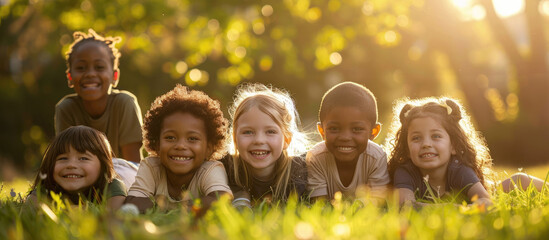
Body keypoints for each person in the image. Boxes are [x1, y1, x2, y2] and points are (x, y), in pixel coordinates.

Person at [54, 29, 143, 187]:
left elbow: (133, 164)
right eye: (81, 68)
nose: (90, 74)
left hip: (121, 173)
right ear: (70, 77)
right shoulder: (65, 108)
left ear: (114, 77)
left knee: (120, 173)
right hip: (80, 174)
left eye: (99, 67)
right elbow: (68, 158)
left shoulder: (124, 103)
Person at [124, 84, 232, 214]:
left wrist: (163, 205)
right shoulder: (151, 167)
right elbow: (133, 202)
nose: (180, 146)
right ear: (157, 144)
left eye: (192, 139)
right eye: (170, 137)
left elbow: (221, 199)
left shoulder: (210, 169)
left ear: (209, 148)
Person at [386, 97, 493, 207]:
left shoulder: (459, 169)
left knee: (501, 186)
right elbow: (405, 206)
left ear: (453, 146)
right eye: (416, 138)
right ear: (407, 149)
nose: (426, 144)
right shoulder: (406, 171)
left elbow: (486, 201)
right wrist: (452, 209)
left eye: (436, 136)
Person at [222, 83, 310, 208]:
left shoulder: (298, 171)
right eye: (248, 132)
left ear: (286, 139)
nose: (259, 140)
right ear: (235, 138)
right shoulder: (226, 168)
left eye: (270, 132)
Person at [307, 82, 389, 204]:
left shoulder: (376, 157)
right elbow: (319, 205)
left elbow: (377, 202)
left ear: (373, 132)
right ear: (322, 131)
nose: (345, 137)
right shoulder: (315, 158)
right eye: (334, 128)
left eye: (357, 129)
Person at [27, 126, 126, 211]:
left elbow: (114, 215)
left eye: (83, 158)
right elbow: (27, 212)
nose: (71, 165)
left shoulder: (112, 185)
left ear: (103, 165)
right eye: (63, 158)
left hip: (126, 169)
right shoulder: (48, 187)